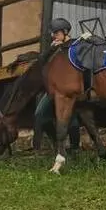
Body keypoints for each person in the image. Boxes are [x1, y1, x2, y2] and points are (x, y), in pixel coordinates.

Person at [33, 17, 81, 152]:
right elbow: (41, 61)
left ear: (65, 32)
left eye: (56, 32)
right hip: (53, 89)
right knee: (40, 114)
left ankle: (74, 148)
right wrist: (51, 50)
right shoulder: (54, 47)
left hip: (69, 88)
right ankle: (56, 142)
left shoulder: (75, 46)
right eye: (53, 33)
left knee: (72, 119)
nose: (54, 35)